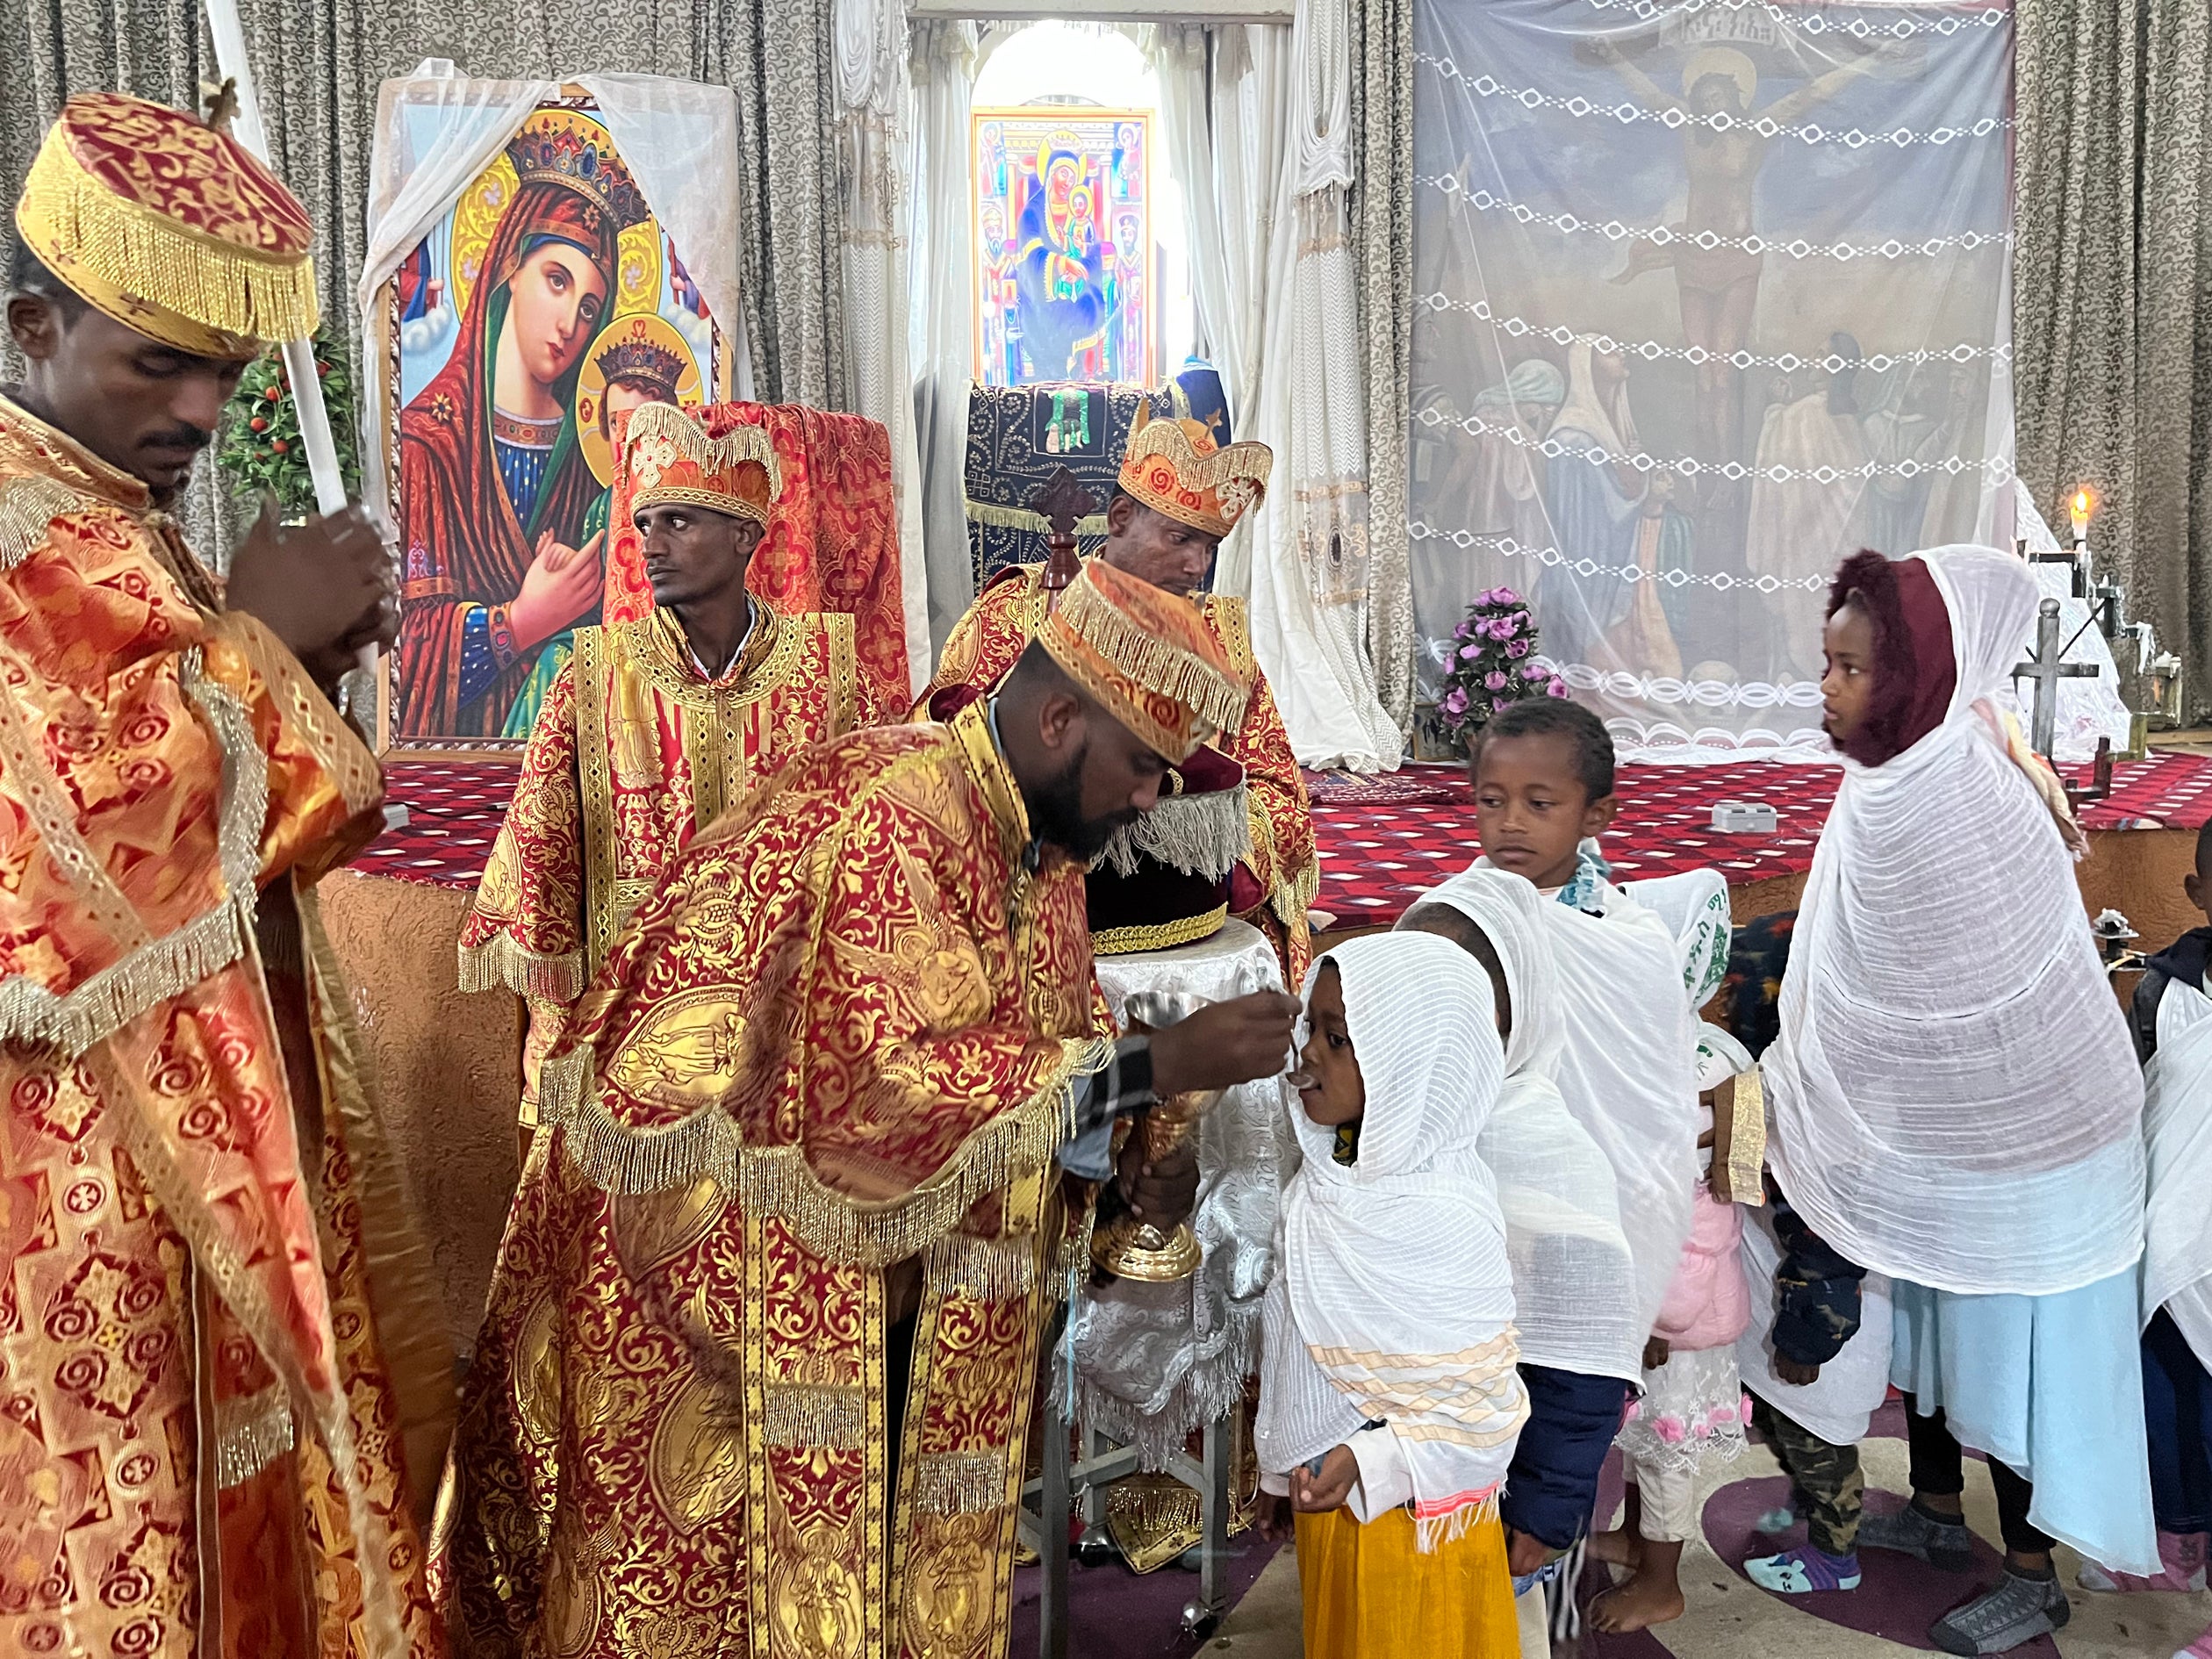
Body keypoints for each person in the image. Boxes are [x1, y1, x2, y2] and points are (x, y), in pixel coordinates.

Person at [436, 559, 1303, 1656]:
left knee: (876, 1560)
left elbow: (1035, 1049)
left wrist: (1127, 1151)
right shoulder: (904, 812)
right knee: (713, 1593)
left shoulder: (1044, 853)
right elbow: (875, 1090)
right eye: (1140, 768)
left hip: (869, 1260)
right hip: (698, 1255)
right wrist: (1149, 1064)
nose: (1147, 803)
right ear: (1057, 716)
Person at [3, 92, 448, 1655]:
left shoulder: (118, 521)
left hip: (205, 1155)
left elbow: (252, 831)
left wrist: (294, 659)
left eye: (227, 371)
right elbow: (76, 861)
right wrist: (260, 641)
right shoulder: (16, 537)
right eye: (158, 361)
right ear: (31, 321)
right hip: (79, 1181)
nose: (200, 409)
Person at [1768, 546, 2156, 1654]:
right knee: (1933, 1330)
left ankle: (2033, 1571)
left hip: (2032, 1142)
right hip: (1939, 1125)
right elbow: (1861, 973)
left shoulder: (1968, 800)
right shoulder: (1892, 780)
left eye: (1850, 669)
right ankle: (1939, 1517)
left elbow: (1983, 1000)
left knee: (2011, 1355)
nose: (1829, 689)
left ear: (1914, 677)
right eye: (1828, 664)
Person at [459, 401, 862, 1131]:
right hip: (635, 1058)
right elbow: (541, 883)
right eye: (644, 525)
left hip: (788, 1052)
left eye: (678, 522)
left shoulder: (827, 676)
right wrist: (557, 1058)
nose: (651, 544)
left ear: (744, 536)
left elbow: (872, 871)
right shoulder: (592, 683)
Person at [920, 403, 1317, 983]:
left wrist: (1187, 824)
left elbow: (1282, 800)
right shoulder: (1013, 613)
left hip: (1179, 941)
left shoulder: (1222, 648)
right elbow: (938, 747)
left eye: (1209, 547)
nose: (1196, 565)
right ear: (1122, 516)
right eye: (1180, 538)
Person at [1255, 933, 1531, 1656]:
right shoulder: (1323, 1189)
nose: (1308, 1052)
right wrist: (1281, 1472)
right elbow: (1293, 1342)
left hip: (1418, 1529)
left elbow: (1485, 1416)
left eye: (1338, 1038)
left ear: (1407, 1064)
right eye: (1309, 1027)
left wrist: (1369, 1463)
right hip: (1332, 1506)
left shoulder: (1445, 1216)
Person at [1397, 865, 1641, 1657]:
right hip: (1389, 1477)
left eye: (1462, 1008)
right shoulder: (1378, 1131)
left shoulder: (1552, 1160)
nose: (1434, 1029)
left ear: (1516, 1019)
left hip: (1499, 1500)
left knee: (1493, 1636)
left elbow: (1582, 1371)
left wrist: (1543, 1513)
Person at [1465, 698, 1713, 1355]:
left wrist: (1638, 1276)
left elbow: (1650, 1105)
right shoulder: (1459, 916)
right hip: (1495, 1198)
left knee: (1573, 1404)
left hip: (1603, 1200)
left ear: (1596, 814)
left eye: (1539, 805)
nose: (1510, 823)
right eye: (1492, 801)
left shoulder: (1629, 938)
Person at [396, 108, 650, 738]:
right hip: (456, 774)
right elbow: (404, 649)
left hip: (567, 760)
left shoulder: (593, 452)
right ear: (510, 265)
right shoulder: (430, 443)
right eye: (556, 281)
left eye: (590, 307)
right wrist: (520, 622)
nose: (570, 325)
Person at [2086, 821, 2212, 1659]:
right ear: (2198, 893)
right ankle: (2182, 1542)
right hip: (2174, 1243)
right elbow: (2137, 1106)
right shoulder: (2162, 993)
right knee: (2170, 1402)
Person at [1589, 1028, 1756, 1633]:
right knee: (1644, 1437)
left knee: (1667, 1451)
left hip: (1678, 1331)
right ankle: (1636, 1540)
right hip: (1658, 1319)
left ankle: (1662, 1583)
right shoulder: (1687, 1043)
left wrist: (1653, 1319)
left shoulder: (1700, 1065)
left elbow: (1688, 1255)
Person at [498, 325, 687, 739]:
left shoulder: (685, 502)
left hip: (671, 638)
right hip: (611, 635)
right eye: (618, 423)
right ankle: (525, 777)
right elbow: (599, 581)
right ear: (604, 431)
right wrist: (566, 565)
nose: (630, 434)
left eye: (643, 421)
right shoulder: (603, 505)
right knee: (557, 659)